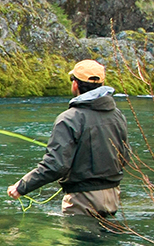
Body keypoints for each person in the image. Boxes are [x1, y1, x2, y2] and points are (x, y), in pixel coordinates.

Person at [7, 59, 129, 217]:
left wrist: (21, 186)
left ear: (75, 84)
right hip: (113, 196)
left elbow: (55, 165)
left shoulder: (70, 118)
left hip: (82, 200)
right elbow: (124, 157)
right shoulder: (117, 115)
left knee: (78, 240)